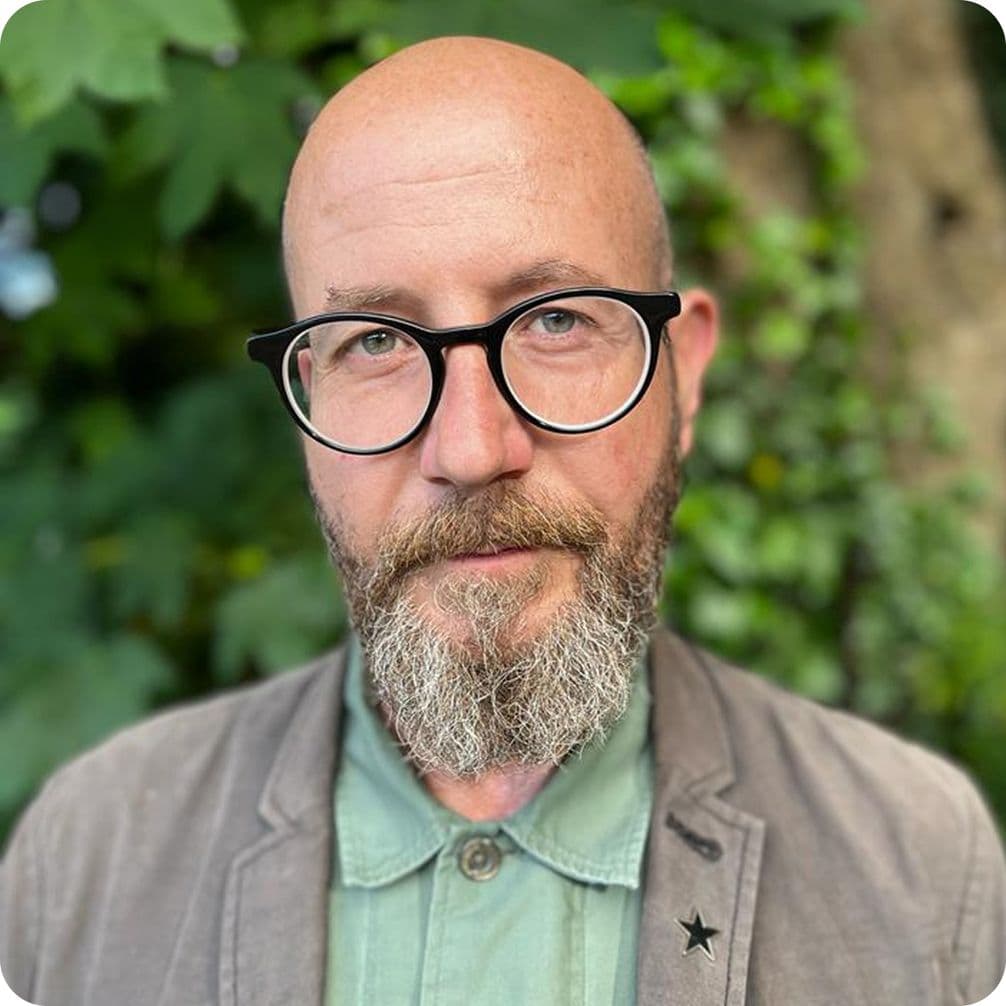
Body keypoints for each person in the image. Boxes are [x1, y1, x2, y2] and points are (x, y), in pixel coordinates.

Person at [1, 35, 1004, 1006]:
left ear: (682, 374)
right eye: (377, 342)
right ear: (304, 399)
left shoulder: (923, 869)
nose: (473, 450)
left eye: (556, 320)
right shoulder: (84, 863)